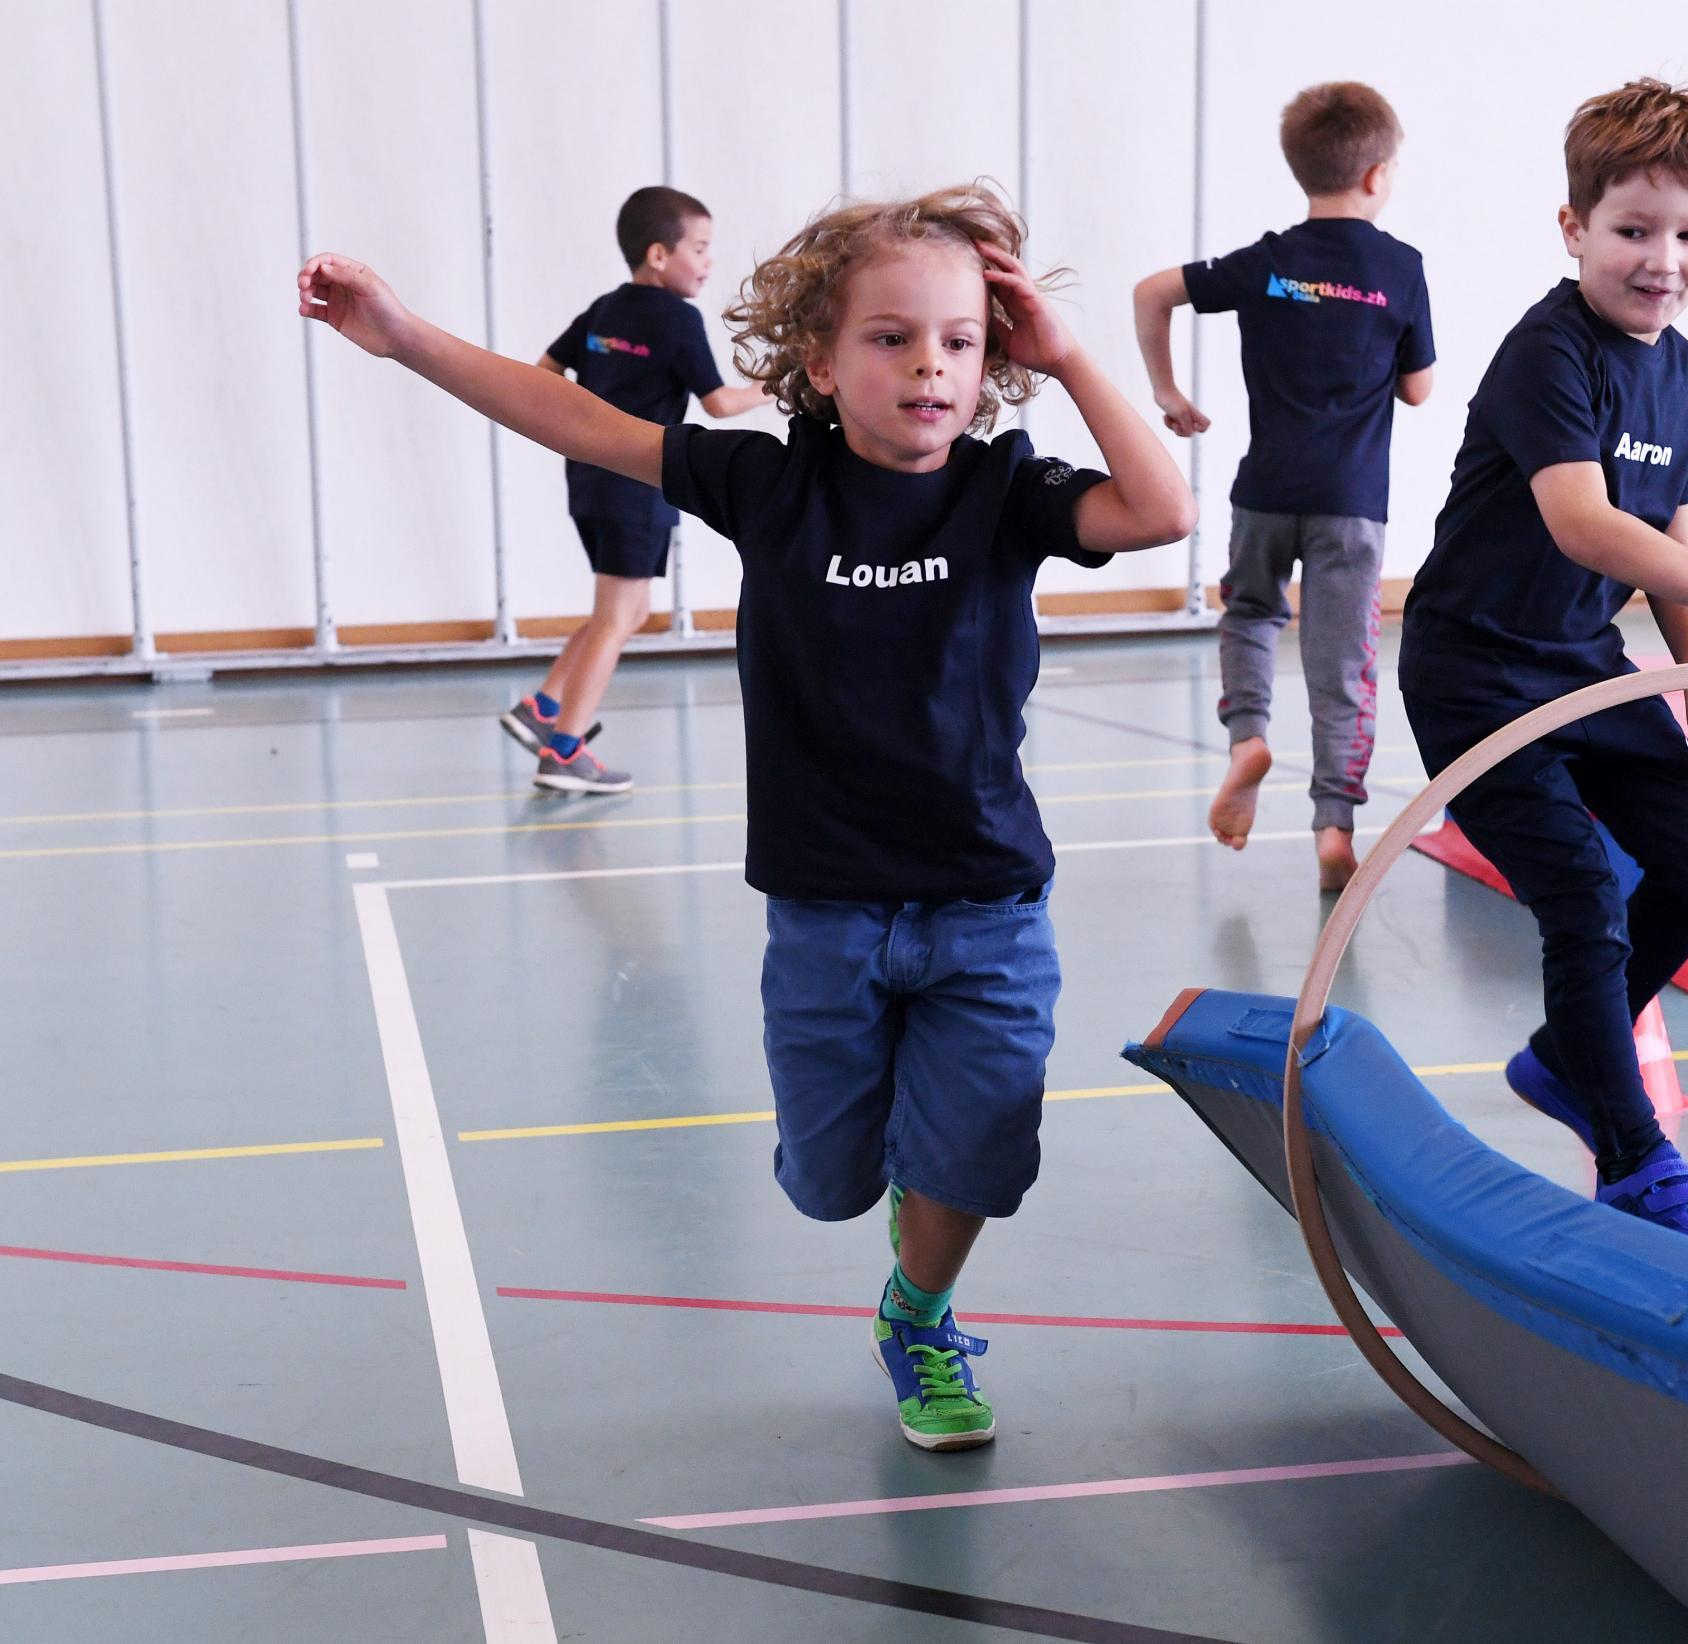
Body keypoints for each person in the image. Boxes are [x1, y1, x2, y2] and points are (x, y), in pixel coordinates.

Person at [298, 184, 1195, 1447]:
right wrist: (406, 336)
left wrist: (1071, 353)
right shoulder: (772, 481)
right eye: (890, 338)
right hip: (825, 911)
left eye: (958, 340)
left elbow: (1163, 511)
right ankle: (896, 1197)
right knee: (830, 1181)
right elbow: (576, 415)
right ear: (819, 359)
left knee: (975, 1152)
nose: (928, 365)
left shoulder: (1007, 490)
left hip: (988, 903)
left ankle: (919, 1313)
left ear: (994, 359)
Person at [1395, 79, 1688, 1240]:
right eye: (1632, 231)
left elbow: (1667, 534)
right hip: (1475, 670)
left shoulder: (1687, 371)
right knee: (1581, 895)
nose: (1662, 260)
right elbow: (1585, 523)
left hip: (1580, 661)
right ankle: (1631, 1152)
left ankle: (1574, 1054)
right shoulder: (1546, 353)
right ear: (1575, 230)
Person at [1135, 82, 1435, 891]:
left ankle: (1247, 742)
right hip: (1351, 503)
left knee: (1251, 615)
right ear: (1377, 175)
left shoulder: (1269, 263)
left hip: (1264, 488)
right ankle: (1334, 826)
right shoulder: (1400, 269)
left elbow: (1152, 292)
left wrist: (1167, 393)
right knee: (1343, 665)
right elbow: (1418, 388)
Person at [498, 186, 766, 794]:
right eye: (700, 248)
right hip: (637, 481)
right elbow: (721, 405)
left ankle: (542, 709)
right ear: (659, 254)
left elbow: (543, 371)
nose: (708, 262)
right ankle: (563, 750)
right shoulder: (678, 320)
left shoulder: (605, 311)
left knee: (624, 610)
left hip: (587, 478)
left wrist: (586, 419)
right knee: (621, 616)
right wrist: (787, 386)